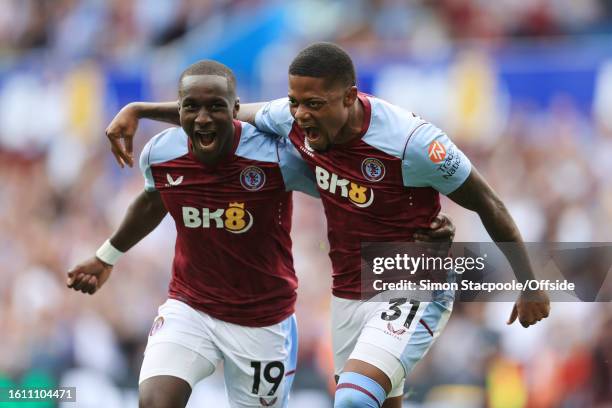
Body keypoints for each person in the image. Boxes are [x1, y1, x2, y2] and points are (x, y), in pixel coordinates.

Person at [105, 43, 549, 408]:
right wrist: (140, 110)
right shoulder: (292, 118)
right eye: (295, 102)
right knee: (377, 402)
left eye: (314, 104)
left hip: (412, 276)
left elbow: (488, 202)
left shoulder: (413, 143)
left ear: (350, 97)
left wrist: (530, 283)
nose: (300, 115)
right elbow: (223, 110)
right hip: (348, 289)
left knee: (353, 401)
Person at [67, 60, 321, 408]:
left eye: (216, 106)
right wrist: (106, 256)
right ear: (180, 109)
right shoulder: (161, 153)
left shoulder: (275, 156)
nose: (202, 118)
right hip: (191, 309)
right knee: (155, 402)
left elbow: (335, 189)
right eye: (191, 107)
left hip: (263, 321)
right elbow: (152, 203)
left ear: (235, 109)